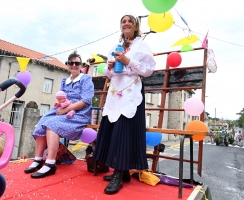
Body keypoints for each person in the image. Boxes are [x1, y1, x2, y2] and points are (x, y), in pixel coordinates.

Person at [93, 14, 156, 195]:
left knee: (123, 132)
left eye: (129, 21)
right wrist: (110, 68)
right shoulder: (115, 46)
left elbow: (149, 69)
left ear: (135, 27)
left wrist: (128, 61)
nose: (126, 24)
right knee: (113, 129)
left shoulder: (142, 46)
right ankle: (121, 172)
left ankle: (119, 173)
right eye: (123, 22)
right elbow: (107, 71)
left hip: (130, 93)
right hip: (115, 93)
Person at [24, 50, 94, 178]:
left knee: (51, 125)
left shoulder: (86, 79)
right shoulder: (65, 81)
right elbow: (61, 98)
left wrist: (65, 110)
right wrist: (60, 106)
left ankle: (50, 163)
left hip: (78, 113)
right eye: (71, 63)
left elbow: (85, 101)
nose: (74, 65)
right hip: (64, 109)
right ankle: (38, 159)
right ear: (67, 65)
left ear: (81, 65)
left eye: (77, 63)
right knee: (41, 123)